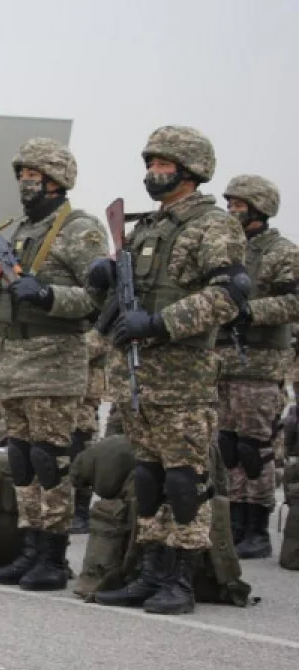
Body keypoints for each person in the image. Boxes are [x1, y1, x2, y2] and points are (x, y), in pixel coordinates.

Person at [94, 126, 248, 615]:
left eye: (163, 165)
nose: (153, 173)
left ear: (190, 171)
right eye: (150, 164)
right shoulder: (146, 228)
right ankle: (150, 571)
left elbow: (229, 295)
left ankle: (180, 578)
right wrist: (105, 279)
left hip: (184, 376)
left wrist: (160, 323)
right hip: (140, 377)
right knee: (148, 478)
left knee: (185, 481)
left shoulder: (214, 226)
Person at [0, 138, 107, 591]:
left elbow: (99, 298)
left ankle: (52, 555)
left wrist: (48, 295)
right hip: (14, 359)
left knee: (50, 459)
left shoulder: (81, 230)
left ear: (55, 181)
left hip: (54, 359)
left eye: (32, 176)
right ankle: (29, 547)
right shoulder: (22, 230)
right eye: (22, 175)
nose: (25, 183)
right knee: (22, 459)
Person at [215, 174, 296, 560]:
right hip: (221, 362)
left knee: (254, 447)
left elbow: (294, 302)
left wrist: (249, 312)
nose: (232, 211)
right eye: (229, 204)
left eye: (239, 205)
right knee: (227, 445)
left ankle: (257, 526)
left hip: (260, 364)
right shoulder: (224, 249)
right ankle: (234, 519)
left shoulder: (282, 253)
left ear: (260, 209)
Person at [70, 329, 109, 533]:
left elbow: (97, 343)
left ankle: (81, 512)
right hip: (61, 387)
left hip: (85, 393)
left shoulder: (98, 319)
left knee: (81, 449)